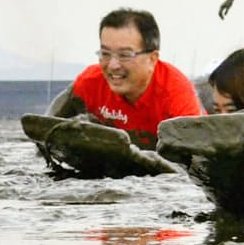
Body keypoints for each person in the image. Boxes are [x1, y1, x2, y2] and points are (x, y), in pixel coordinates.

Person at [47, 8, 203, 149]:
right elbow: (45, 130)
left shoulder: (177, 94)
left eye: (125, 55)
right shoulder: (89, 83)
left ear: (152, 59)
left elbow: (196, 156)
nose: (113, 65)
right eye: (105, 54)